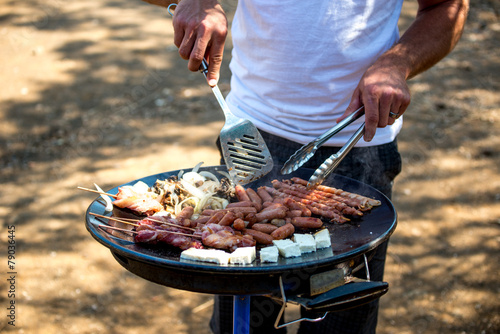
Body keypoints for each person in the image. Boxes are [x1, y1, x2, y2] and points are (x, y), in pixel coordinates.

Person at [143, 0, 469, 333]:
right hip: (252, 143)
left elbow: (447, 7)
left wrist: (398, 62)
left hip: (360, 143)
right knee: (243, 319)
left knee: (340, 320)